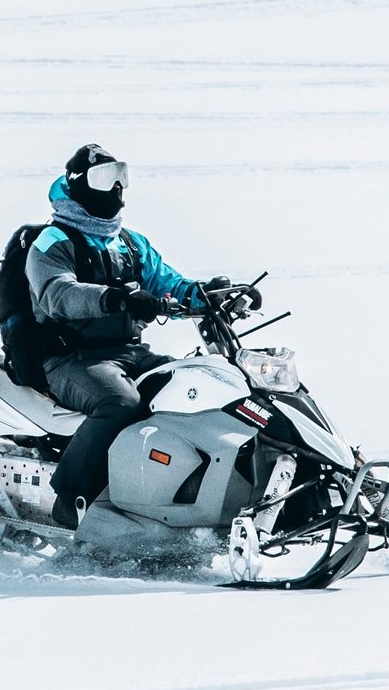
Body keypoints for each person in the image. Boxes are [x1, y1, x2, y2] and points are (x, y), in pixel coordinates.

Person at [25, 144, 256, 529]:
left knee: (197, 387)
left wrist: (210, 294)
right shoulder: (52, 242)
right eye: (104, 178)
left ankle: (171, 498)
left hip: (131, 352)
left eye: (121, 176)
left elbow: (170, 284)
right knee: (121, 403)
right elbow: (57, 294)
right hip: (72, 359)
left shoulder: (130, 243)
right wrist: (114, 298)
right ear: (79, 184)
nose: (116, 188)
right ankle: (70, 499)